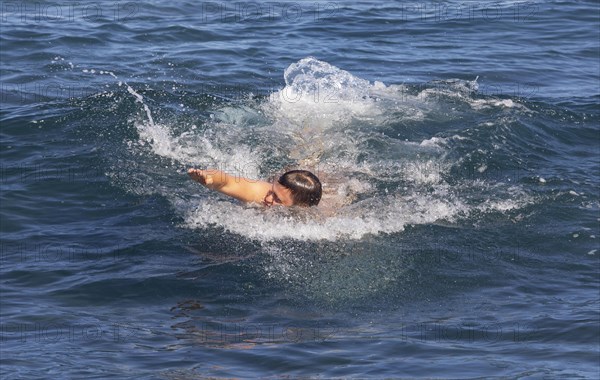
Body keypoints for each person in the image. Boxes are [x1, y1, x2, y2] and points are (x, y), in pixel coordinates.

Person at [188, 168, 322, 207]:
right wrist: (209, 177)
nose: (268, 198)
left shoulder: (315, 216)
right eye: (273, 191)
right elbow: (227, 181)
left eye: (278, 200)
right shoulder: (260, 192)